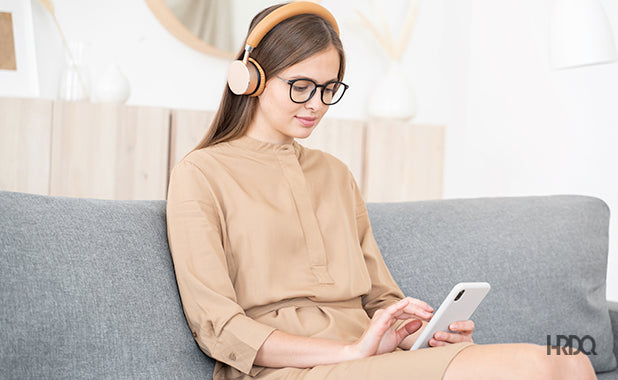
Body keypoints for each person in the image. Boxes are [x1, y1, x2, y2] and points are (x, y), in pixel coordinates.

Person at [166, 2, 595, 379]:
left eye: (329, 89)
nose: (316, 104)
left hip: (368, 357)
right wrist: (349, 351)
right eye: (301, 86)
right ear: (251, 79)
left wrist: (417, 333)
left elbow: (380, 298)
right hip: (292, 367)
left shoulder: (334, 173)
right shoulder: (201, 173)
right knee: (534, 367)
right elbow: (218, 328)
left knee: (573, 359)